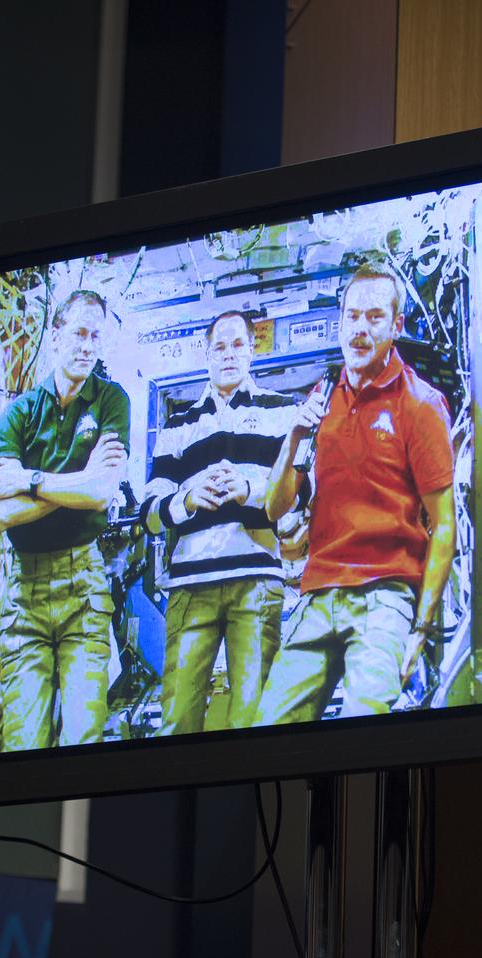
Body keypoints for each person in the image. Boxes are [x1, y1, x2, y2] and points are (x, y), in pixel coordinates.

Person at [254, 262, 456, 725]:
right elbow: (274, 506)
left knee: (369, 726)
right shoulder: (324, 397)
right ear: (340, 321)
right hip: (319, 591)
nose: (361, 329)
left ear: (396, 326)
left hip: (384, 595)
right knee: (265, 731)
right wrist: (294, 438)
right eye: (352, 316)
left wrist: (420, 631)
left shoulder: (420, 405)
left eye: (374, 317)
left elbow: (446, 526)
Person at [0, 289, 129, 750]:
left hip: (83, 585)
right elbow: (2, 513)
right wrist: (77, 484)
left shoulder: (110, 401)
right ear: (56, 336)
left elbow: (103, 493)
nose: (88, 346)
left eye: (96, 337)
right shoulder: (20, 413)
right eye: (80, 333)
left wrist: (28, 479)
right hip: (23, 593)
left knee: (84, 737)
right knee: (23, 743)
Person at [140, 311, 296, 734]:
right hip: (190, 588)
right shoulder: (177, 426)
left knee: (256, 719)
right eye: (219, 347)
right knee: (178, 719)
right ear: (206, 354)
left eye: (237, 345)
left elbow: (302, 498)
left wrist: (251, 490)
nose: (228, 355)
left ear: (253, 349)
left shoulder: (283, 413)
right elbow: (149, 513)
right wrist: (187, 500)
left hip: (256, 583)